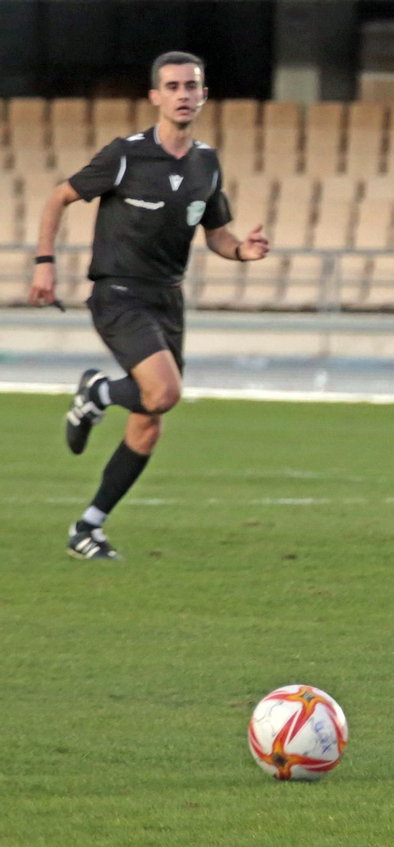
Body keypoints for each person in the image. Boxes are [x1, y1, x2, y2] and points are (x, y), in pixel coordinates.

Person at [27, 51, 270, 560]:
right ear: (155, 96)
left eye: (192, 86)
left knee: (149, 419)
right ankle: (97, 391)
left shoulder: (207, 162)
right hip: (118, 291)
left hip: (167, 297)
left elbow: (217, 234)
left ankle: (87, 527)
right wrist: (45, 263)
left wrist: (243, 252)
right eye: (173, 86)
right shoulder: (126, 154)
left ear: (203, 95)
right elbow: (58, 197)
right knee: (162, 392)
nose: (183, 94)